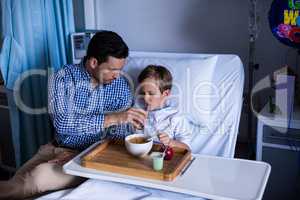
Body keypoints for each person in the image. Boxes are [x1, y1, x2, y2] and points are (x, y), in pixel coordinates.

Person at [0, 31, 147, 199]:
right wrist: (113, 118)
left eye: (120, 70)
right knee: (16, 184)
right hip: (54, 148)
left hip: (90, 156)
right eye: (113, 69)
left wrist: (81, 155)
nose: (118, 75)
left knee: (32, 181)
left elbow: (118, 135)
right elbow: (62, 123)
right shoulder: (62, 78)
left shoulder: (120, 86)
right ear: (93, 62)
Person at [137, 65, 192, 150]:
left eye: (151, 93)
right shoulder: (139, 113)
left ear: (166, 94)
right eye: (143, 93)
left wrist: (170, 142)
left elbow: (187, 148)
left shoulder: (175, 117)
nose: (145, 98)